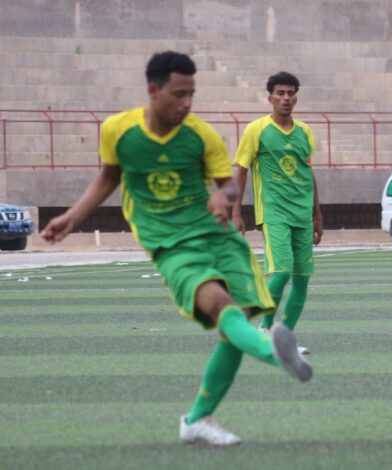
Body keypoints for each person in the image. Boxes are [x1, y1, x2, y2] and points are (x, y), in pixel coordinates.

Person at [41, 51, 313, 447]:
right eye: (179, 94)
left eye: (192, 95)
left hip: (217, 237)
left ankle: (197, 419)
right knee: (222, 308)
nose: (187, 103)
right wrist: (71, 218)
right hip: (169, 243)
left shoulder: (200, 135)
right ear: (154, 91)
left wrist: (223, 197)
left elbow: (230, 184)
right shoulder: (119, 130)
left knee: (230, 328)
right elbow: (109, 177)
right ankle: (272, 349)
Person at [232, 71, 323, 355]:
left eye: (290, 93)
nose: (286, 98)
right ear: (270, 97)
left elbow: (308, 173)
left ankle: (285, 338)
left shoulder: (305, 131)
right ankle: (264, 330)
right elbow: (241, 170)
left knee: (302, 279)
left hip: (302, 214)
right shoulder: (256, 130)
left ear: (296, 97)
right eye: (280, 93)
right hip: (273, 213)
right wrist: (236, 211)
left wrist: (317, 215)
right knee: (281, 271)